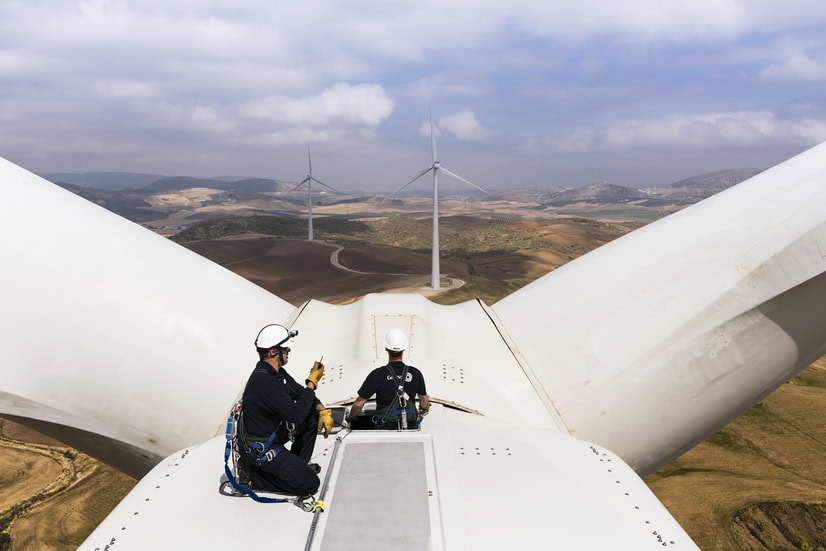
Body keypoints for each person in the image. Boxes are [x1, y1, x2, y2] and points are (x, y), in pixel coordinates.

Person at [238, 324, 334, 496]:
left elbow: (300, 393)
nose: (289, 351)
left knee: (311, 419)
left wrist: (322, 410)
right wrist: (312, 384)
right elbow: (296, 415)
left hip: (272, 436)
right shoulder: (265, 382)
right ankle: (253, 477)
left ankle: (297, 467)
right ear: (274, 352)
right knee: (310, 484)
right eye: (286, 348)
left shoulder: (277, 374)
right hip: (263, 449)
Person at [347, 329, 430, 430]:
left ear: (386, 348)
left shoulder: (377, 374)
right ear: (404, 349)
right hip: (410, 426)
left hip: (385, 427)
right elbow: (424, 399)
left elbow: (359, 404)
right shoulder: (415, 373)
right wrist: (423, 410)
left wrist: (351, 417)